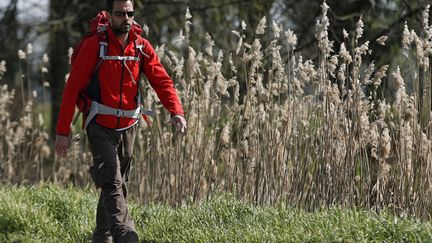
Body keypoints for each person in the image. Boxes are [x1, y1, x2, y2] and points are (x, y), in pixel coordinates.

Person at [54, 0, 187, 242]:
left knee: (117, 184)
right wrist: (63, 131)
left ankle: (101, 235)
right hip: (99, 125)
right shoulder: (95, 46)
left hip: (129, 127)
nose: (126, 19)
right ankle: (126, 234)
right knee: (112, 181)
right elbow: (72, 88)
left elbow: (162, 81)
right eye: (120, 14)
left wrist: (176, 111)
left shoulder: (141, 47)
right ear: (109, 14)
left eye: (129, 14)